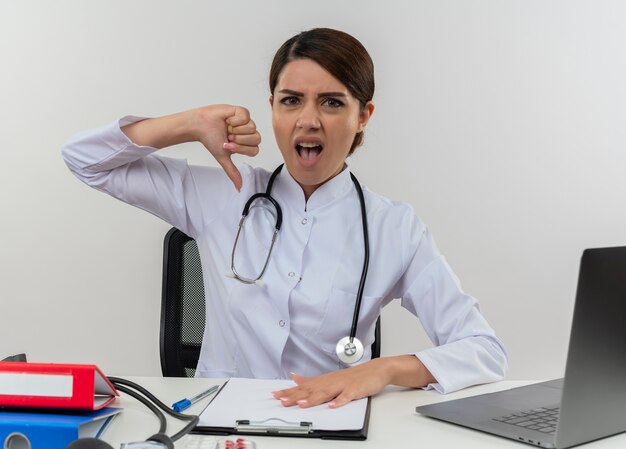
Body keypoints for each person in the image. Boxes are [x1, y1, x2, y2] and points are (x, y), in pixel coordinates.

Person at [62, 28, 507, 408]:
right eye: (291, 101)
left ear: (363, 116)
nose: (308, 120)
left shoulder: (394, 228)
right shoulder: (223, 192)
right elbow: (84, 159)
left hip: (329, 422)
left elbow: (484, 351)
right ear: (271, 107)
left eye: (332, 103)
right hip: (220, 421)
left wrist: (382, 370)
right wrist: (192, 123)